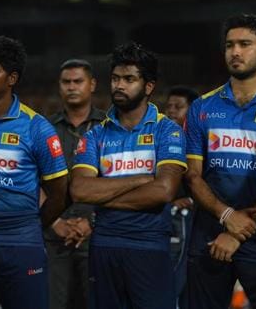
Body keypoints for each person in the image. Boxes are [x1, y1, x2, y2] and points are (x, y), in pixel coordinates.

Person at [184, 13, 256, 309]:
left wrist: (239, 229)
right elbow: (193, 176)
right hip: (208, 238)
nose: (235, 52)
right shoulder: (202, 106)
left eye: (245, 44)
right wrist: (226, 217)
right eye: (229, 45)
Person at [0, 36, 69, 309]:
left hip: (21, 241)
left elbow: (59, 192)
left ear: (11, 78)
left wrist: (28, 225)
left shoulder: (36, 128)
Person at [70, 42, 187, 309]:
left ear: (148, 86)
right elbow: (79, 191)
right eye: (115, 78)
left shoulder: (167, 131)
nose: (119, 85)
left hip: (150, 246)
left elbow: (164, 191)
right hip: (104, 247)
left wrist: (102, 194)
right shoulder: (95, 134)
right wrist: (142, 179)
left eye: (129, 79)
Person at [45, 58, 106, 309]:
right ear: (59, 86)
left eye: (78, 81)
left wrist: (91, 222)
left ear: (91, 84)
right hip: (52, 236)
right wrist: (54, 222)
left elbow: (118, 180)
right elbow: (30, 179)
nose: (71, 87)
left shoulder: (108, 127)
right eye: (66, 82)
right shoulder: (44, 128)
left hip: (98, 234)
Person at [164, 85, 199, 309]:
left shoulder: (197, 143)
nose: (171, 111)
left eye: (178, 107)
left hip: (192, 221)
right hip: (168, 219)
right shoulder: (159, 140)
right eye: (168, 107)